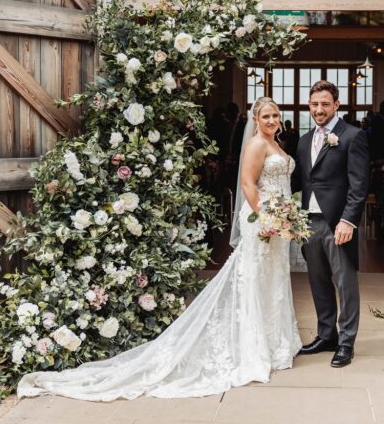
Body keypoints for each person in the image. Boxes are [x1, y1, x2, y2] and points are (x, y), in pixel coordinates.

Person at [17, 97, 301, 401]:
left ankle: (275, 342)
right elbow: (247, 184)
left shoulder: (277, 144)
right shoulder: (257, 145)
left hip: (276, 221)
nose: (272, 120)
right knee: (255, 280)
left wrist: (284, 216)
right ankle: (253, 347)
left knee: (273, 279)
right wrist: (266, 217)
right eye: (266, 116)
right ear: (256, 119)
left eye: (276, 115)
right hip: (261, 220)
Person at [292, 80, 370, 368]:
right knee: (318, 280)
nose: (319, 109)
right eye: (314, 104)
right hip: (309, 222)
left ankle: (346, 342)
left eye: (325, 104)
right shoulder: (303, 141)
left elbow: (359, 184)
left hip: (338, 222)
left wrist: (348, 220)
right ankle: (327, 335)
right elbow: (299, 180)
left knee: (345, 282)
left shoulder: (352, 136)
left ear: (336, 105)